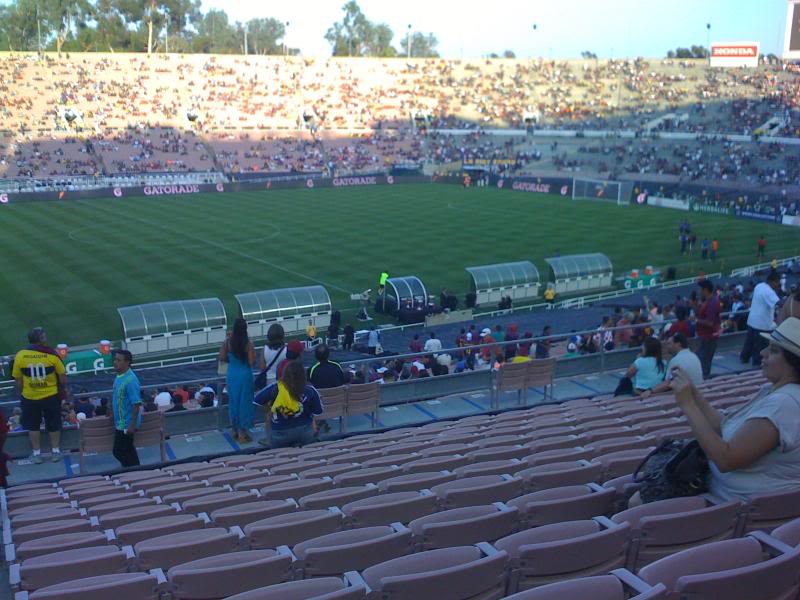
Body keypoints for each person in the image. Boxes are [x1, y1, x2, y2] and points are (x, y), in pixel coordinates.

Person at [667, 317, 800, 502]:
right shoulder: (776, 393)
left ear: (794, 364)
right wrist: (694, 393)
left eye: (774, 351)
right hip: (727, 497)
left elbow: (726, 459)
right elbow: (724, 428)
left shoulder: (784, 404)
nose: (763, 352)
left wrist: (687, 405)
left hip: (729, 506)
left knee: (634, 504)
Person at [12, 327, 67, 463]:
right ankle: (55, 451)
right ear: (40, 340)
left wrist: (24, 392)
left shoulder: (20, 355)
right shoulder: (52, 355)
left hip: (30, 397)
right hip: (51, 396)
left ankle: (37, 454)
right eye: (44, 336)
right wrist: (62, 389)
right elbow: (62, 377)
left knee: (32, 425)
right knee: (54, 424)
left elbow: (18, 379)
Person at [254, 359, 323, 448]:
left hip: (280, 435)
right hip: (305, 433)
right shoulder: (310, 390)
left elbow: (256, 400)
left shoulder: (274, 388)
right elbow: (318, 411)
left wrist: (271, 409)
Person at [218, 317, 256, 443]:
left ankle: (234, 430)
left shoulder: (227, 342)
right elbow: (251, 362)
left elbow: (222, 358)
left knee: (233, 402)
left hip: (232, 375)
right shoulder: (248, 344)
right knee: (244, 403)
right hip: (245, 375)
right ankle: (242, 433)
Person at [109, 350, 142, 468]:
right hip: (120, 422)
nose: (115, 362)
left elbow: (136, 403)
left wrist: (131, 425)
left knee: (118, 451)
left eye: (118, 360)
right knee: (128, 450)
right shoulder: (120, 376)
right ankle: (133, 469)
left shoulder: (131, 380)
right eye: (115, 359)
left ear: (127, 362)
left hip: (126, 424)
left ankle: (133, 470)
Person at [740, 271, 781, 367]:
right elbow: (779, 303)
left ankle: (744, 358)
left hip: (752, 320)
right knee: (760, 347)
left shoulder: (759, 286)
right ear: (772, 281)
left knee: (749, 342)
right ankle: (757, 364)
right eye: (777, 283)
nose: (777, 285)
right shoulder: (769, 292)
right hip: (762, 324)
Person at [695, 279, 721, 379]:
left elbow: (710, 322)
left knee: (704, 363)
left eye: (700, 289)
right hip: (705, 337)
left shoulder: (712, 302)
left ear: (705, 290)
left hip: (709, 337)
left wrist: (697, 320)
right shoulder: (708, 301)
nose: (699, 291)